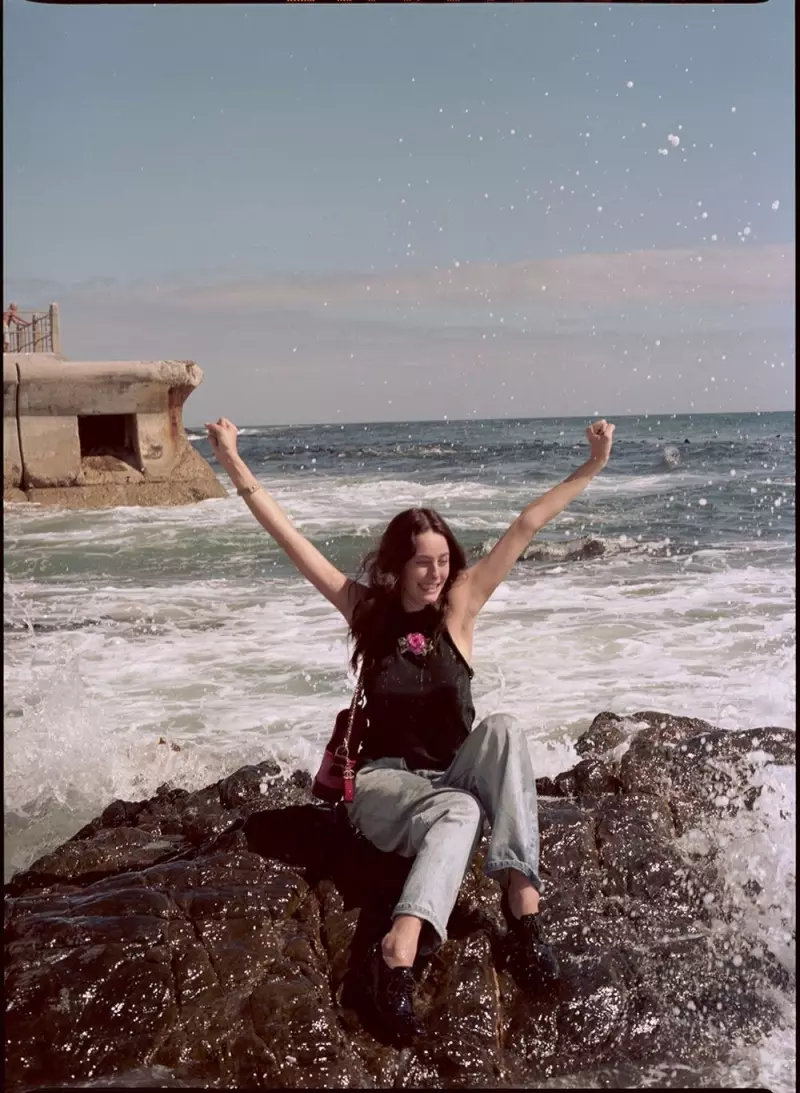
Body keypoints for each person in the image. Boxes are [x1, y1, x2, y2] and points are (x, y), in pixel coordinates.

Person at [205, 414, 615, 1041]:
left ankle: (523, 907)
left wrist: (592, 465)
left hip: (452, 772)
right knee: (460, 813)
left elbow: (526, 525)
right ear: (397, 566)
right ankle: (396, 954)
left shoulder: (461, 608)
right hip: (382, 786)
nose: (435, 574)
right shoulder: (365, 611)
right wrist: (233, 462)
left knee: (503, 729)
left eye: (443, 561)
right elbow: (291, 539)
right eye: (422, 563)